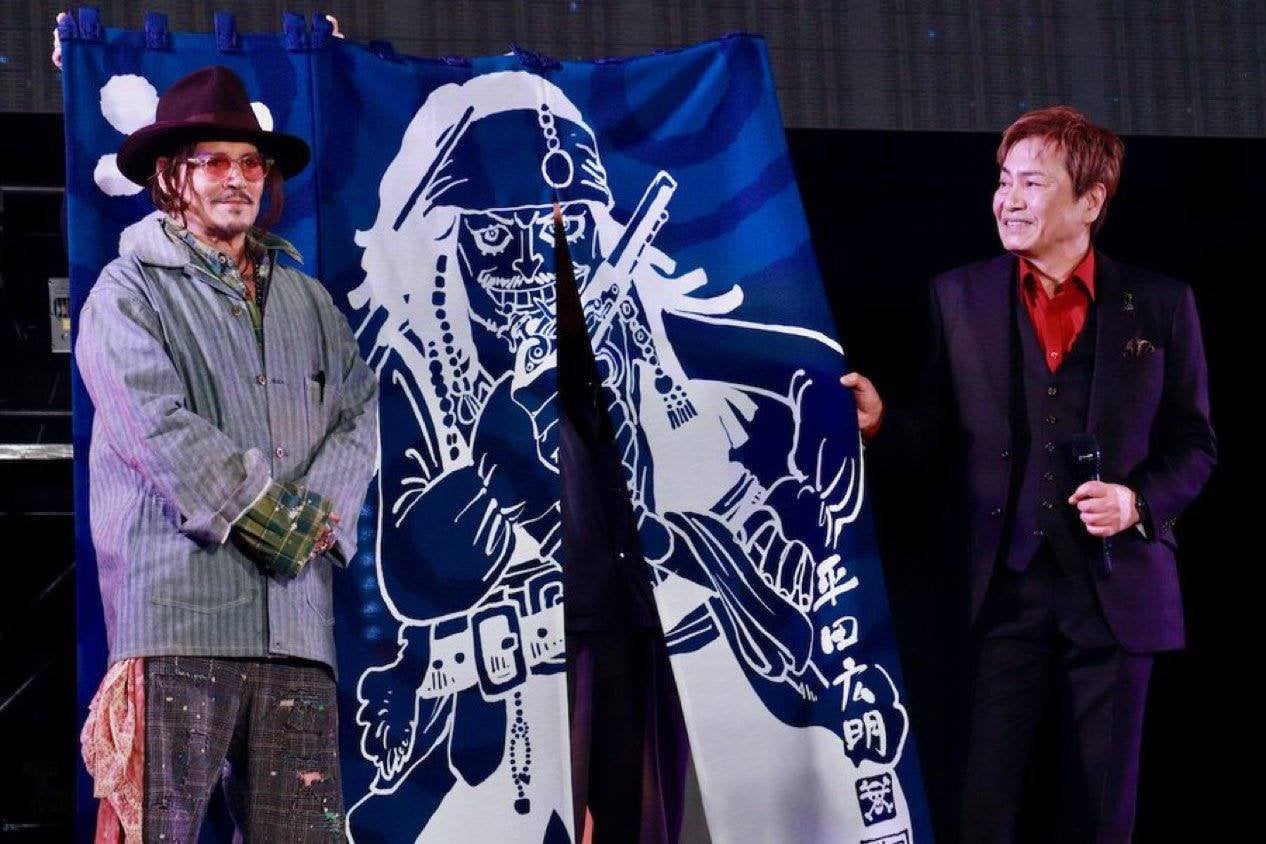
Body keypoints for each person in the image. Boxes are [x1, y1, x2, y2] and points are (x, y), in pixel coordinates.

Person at [842, 106, 1216, 841]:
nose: (1008, 200)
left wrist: (1137, 501)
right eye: (1003, 180)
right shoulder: (958, 296)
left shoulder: (1161, 304)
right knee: (982, 810)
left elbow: (1196, 442)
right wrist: (883, 423)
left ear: (1091, 200)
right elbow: (935, 435)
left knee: (1102, 818)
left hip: (1115, 593)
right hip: (999, 593)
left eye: (1032, 183)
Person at [76, 65, 377, 841]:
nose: (237, 178)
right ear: (170, 176)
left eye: (250, 162)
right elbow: (154, 424)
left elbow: (357, 411)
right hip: (179, 621)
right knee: (152, 831)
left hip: (295, 627)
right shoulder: (127, 290)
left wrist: (313, 519)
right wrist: (271, 516)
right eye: (213, 161)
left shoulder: (309, 301)